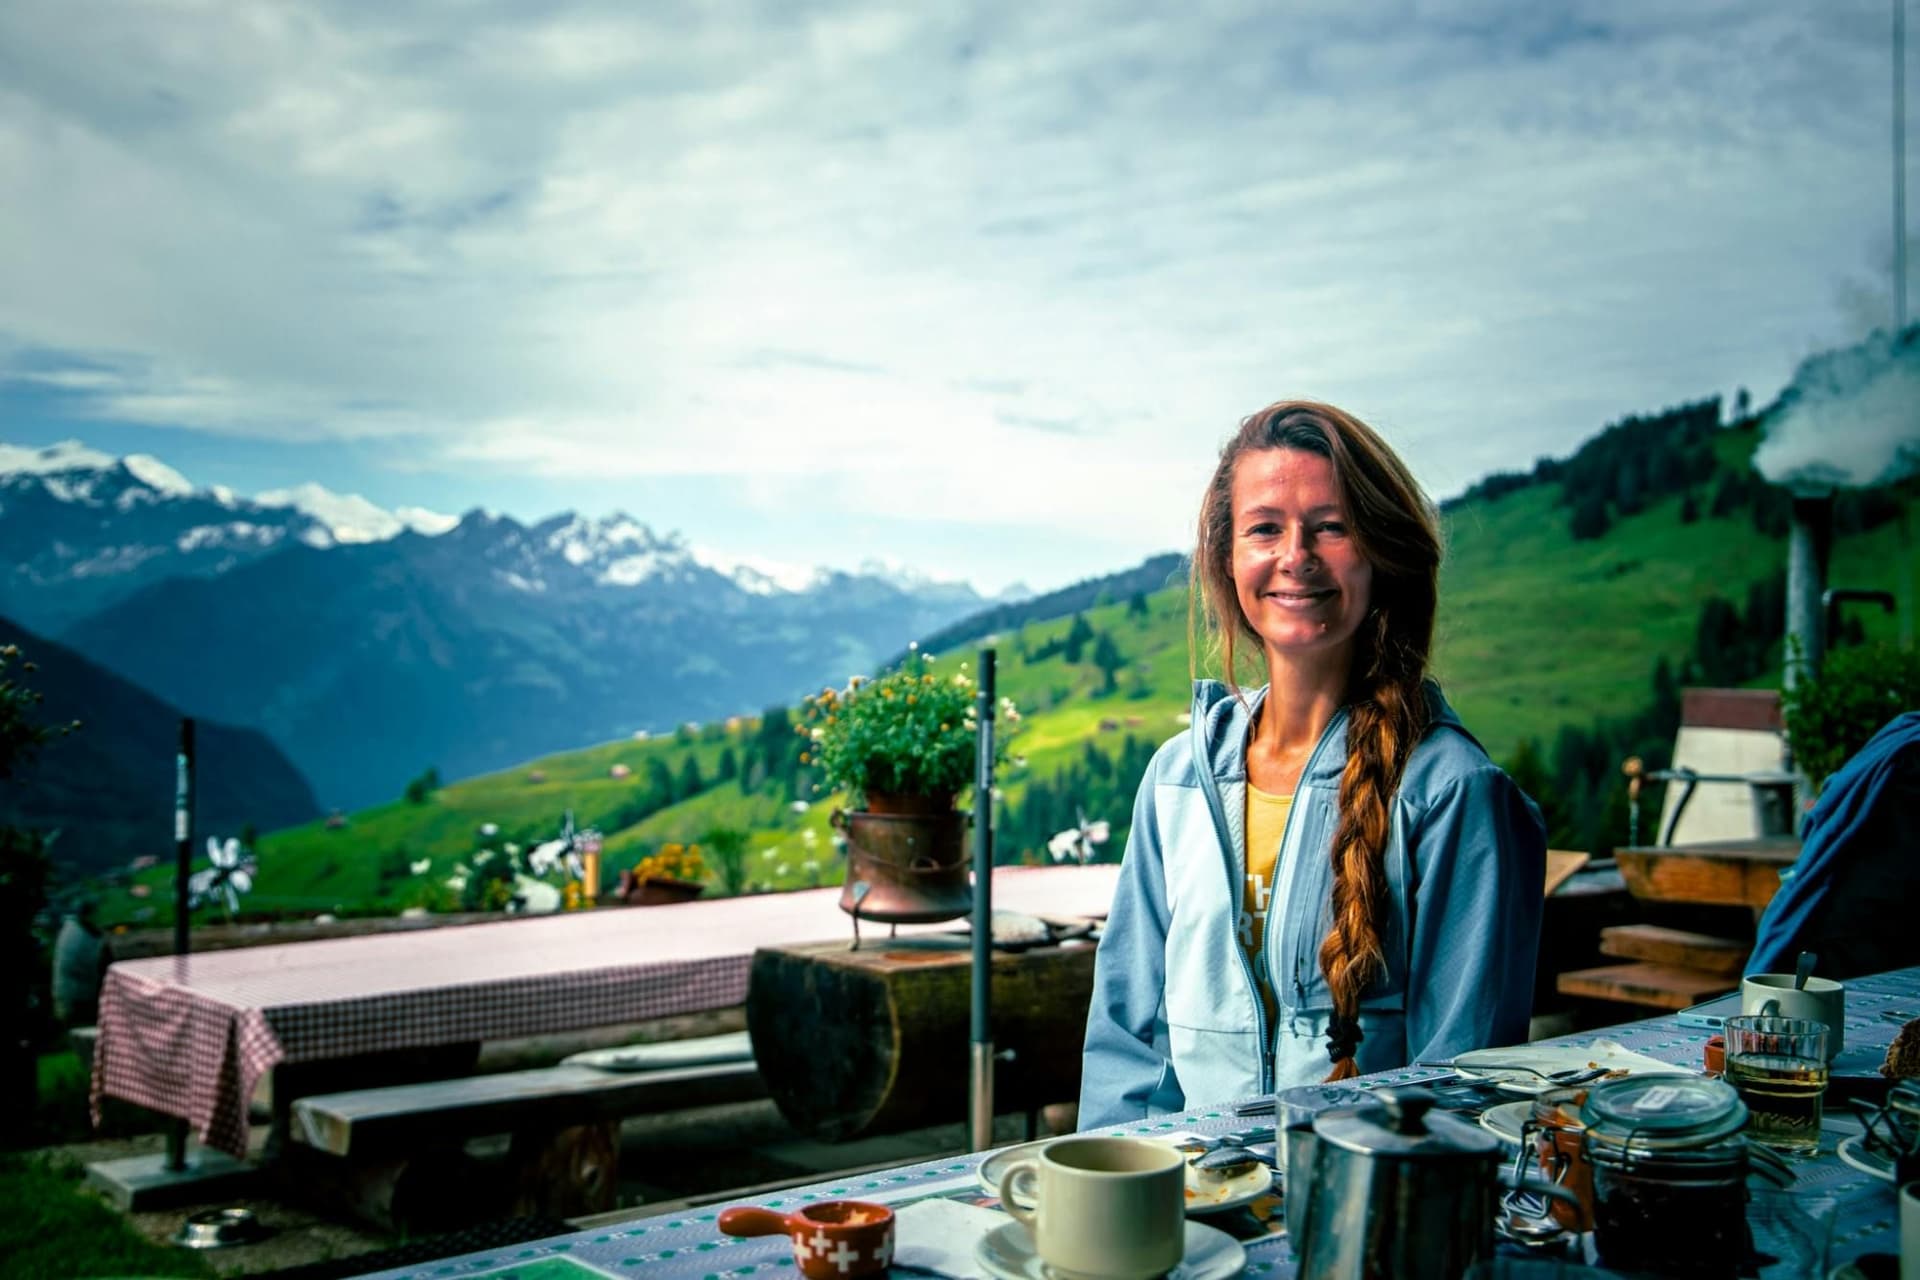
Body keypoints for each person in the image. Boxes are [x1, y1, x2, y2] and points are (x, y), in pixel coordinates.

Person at [1078, 400, 1547, 1129]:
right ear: (1226, 557)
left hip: (1360, 1218)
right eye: (1265, 528)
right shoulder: (1177, 781)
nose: (1295, 555)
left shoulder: (1451, 793)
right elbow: (1127, 1047)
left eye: (1332, 527)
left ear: (1381, 554)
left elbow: (1464, 1092)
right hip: (1189, 1217)